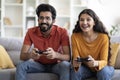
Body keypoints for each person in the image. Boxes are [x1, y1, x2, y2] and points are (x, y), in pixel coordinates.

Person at [15, 3, 70, 80]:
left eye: (47, 18)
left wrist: (55, 55)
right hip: (38, 64)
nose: (44, 21)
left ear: (54, 20)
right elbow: (22, 56)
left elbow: (68, 57)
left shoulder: (62, 32)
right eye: (41, 18)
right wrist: (31, 55)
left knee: (66, 66)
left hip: (56, 64)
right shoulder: (31, 32)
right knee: (21, 65)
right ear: (38, 20)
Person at [70, 9, 114, 80]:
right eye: (82, 20)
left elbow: (104, 61)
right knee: (75, 71)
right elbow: (76, 57)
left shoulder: (103, 37)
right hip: (86, 69)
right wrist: (76, 64)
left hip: (103, 68)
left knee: (103, 72)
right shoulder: (75, 36)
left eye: (88, 20)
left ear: (94, 22)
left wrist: (95, 63)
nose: (84, 22)